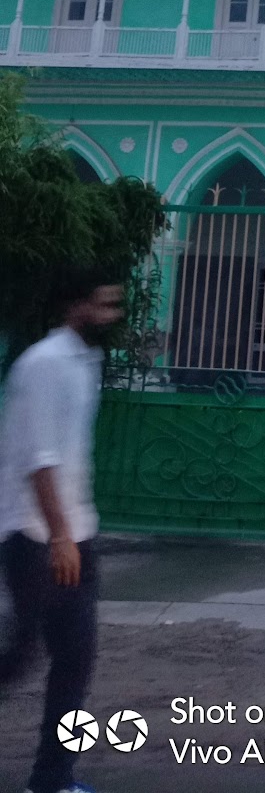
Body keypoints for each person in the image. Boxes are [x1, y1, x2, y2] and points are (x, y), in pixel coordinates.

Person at [0, 273, 124, 793]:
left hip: (73, 533)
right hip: (37, 536)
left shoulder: (83, 363)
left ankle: (52, 778)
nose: (113, 315)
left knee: (70, 658)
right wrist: (60, 538)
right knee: (27, 656)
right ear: (75, 306)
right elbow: (41, 459)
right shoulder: (45, 364)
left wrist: (75, 532)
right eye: (103, 305)